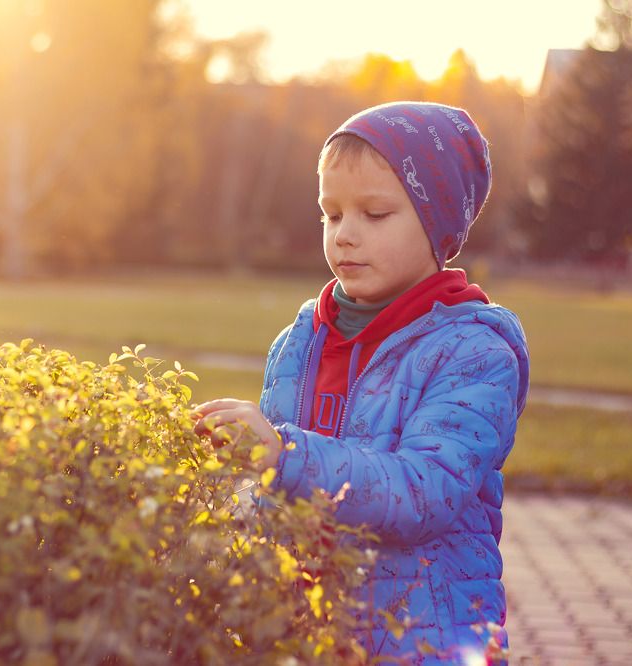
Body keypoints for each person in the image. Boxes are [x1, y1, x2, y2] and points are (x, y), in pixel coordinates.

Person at [192, 101, 530, 664]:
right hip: (305, 631)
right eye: (331, 214)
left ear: (437, 224)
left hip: (423, 634)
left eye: (374, 215)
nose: (345, 235)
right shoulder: (299, 342)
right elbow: (278, 492)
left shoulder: (473, 352)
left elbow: (425, 489)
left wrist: (285, 456)